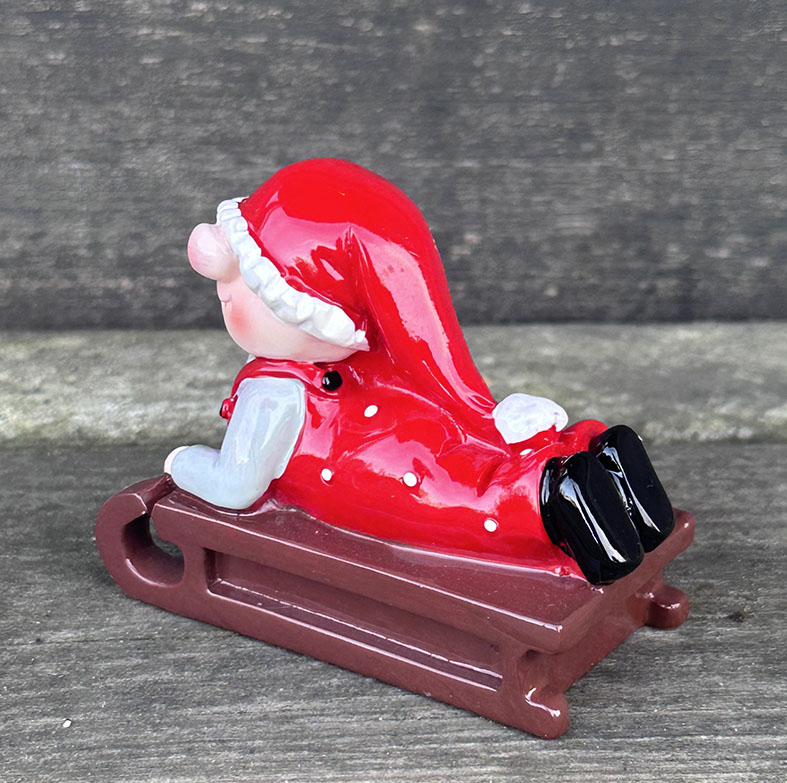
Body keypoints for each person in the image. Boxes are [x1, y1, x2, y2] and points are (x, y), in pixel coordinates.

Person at [165, 159, 672, 584]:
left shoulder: (271, 393)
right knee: (465, 468)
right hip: (401, 442)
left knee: (460, 502)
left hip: (367, 481)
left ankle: (551, 502)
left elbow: (236, 487)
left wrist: (179, 461)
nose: (225, 292)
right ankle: (595, 458)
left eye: (245, 285)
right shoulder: (380, 367)